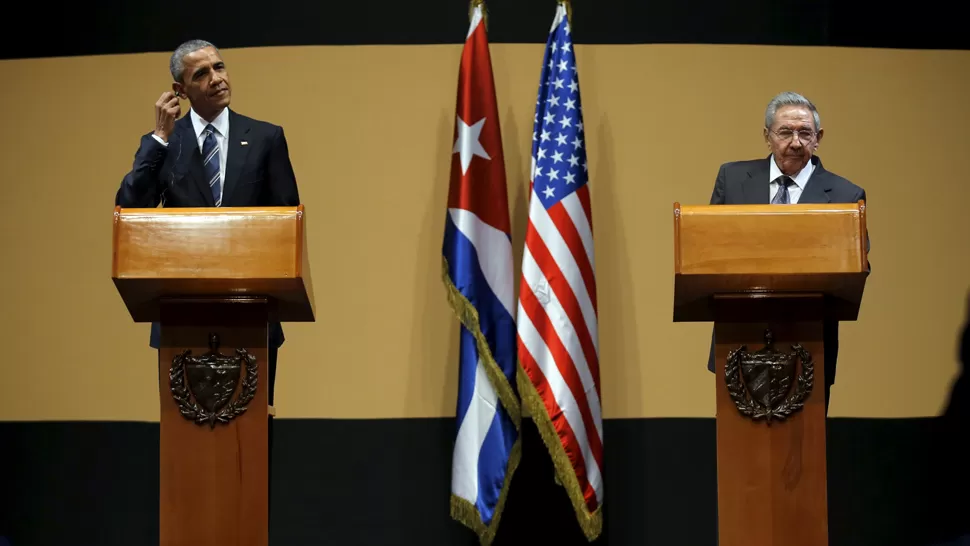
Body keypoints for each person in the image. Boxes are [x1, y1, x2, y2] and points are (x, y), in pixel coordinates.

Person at [115, 39, 300, 407]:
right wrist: (158, 138)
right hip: (183, 314)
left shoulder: (265, 137)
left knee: (255, 440)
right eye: (202, 74)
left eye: (219, 67)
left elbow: (285, 222)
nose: (216, 78)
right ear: (180, 91)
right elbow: (130, 208)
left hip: (252, 311)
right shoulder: (166, 144)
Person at [706, 91, 869, 413]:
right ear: (767, 136)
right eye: (785, 132)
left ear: (818, 138)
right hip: (738, 332)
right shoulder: (734, 177)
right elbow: (710, 248)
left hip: (809, 338)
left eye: (804, 133)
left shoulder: (845, 194)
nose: (795, 142)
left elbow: (858, 265)